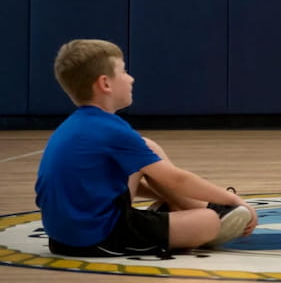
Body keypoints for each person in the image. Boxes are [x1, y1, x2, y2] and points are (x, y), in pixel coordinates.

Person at [35, 40, 258, 258]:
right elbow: (177, 180)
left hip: (63, 235)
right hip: (97, 238)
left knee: (146, 147)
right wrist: (234, 200)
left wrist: (164, 193)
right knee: (208, 221)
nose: (131, 78)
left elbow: (97, 184)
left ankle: (185, 209)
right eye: (124, 72)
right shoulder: (112, 130)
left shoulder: (74, 125)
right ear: (105, 84)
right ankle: (207, 213)